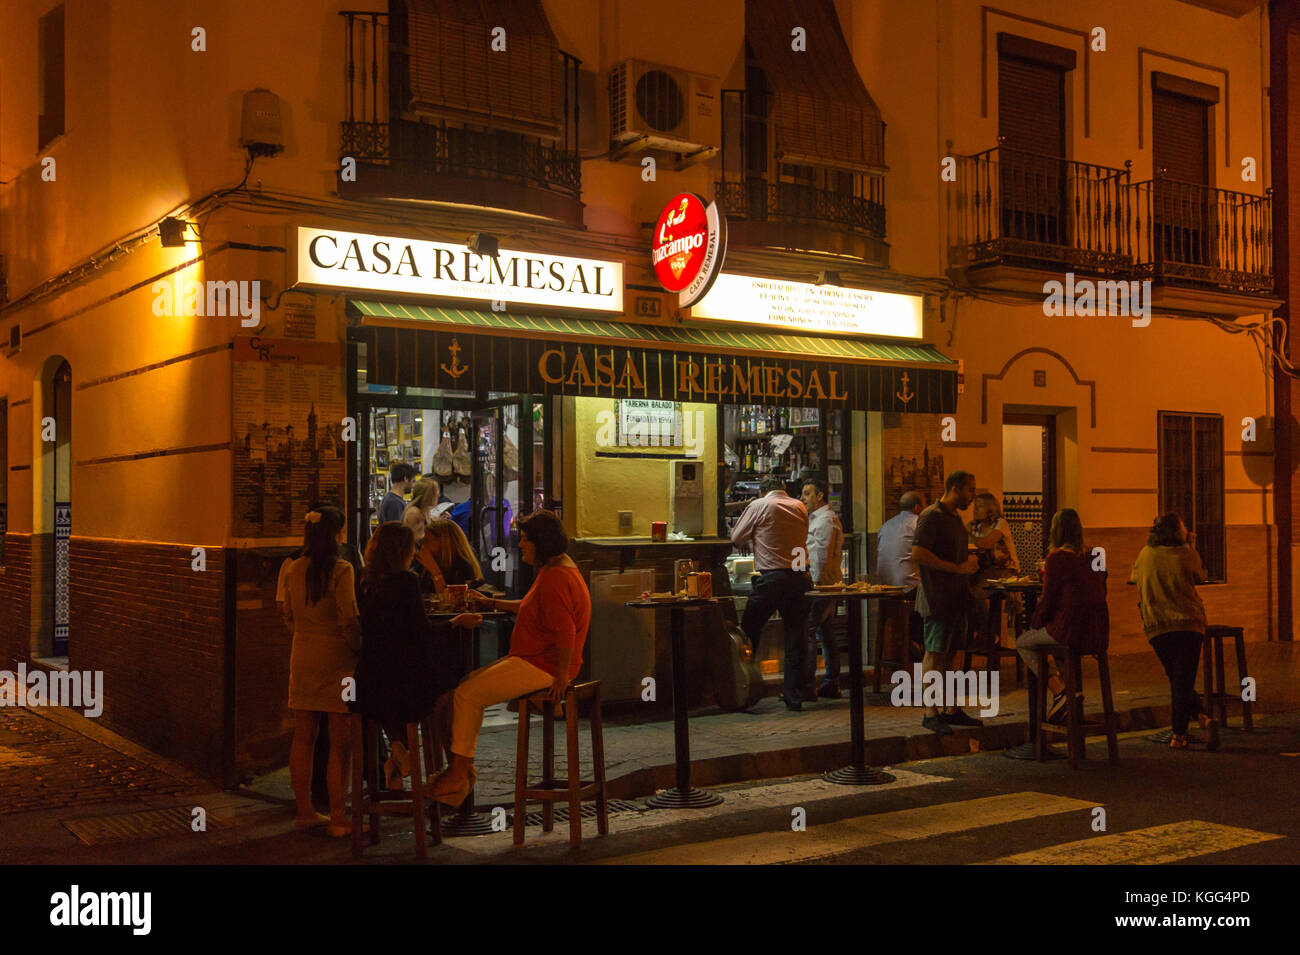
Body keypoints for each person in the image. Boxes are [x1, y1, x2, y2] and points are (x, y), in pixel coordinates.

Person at [429, 511, 591, 806]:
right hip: (535, 660)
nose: (521, 546)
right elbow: (530, 607)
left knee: (466, 695)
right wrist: (491, 602)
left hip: (541, 664)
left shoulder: (555, 577)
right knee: (464, 688)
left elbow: (565, 630)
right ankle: (461, 771)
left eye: (526, 540)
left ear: (541, 542)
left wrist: (562, 676)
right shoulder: (558, 570)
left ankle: (459, 774)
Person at [354, 522, 456, 790]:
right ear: (403, 550)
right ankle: (441, 773)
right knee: (440, 692)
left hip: (365, 682)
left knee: (386, 694)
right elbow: (421, 631)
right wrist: (456, 624)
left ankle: (397, 753)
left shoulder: (364, 578)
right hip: (403, 682)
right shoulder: (406, 581)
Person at [279, 506, 361, 836]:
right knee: (340, 741)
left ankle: (304, 811)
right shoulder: (342, 570)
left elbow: (287, 616)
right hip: (337, 657)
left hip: (302, 654)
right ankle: (339, 817)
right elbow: (348, 617)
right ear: (336, 534)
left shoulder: (292, 569)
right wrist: (358, 648)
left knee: (303, 737)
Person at [1129, 513, 1219, 751]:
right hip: (1189, 624)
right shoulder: (1186, 554)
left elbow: (1134, 578)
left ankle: (1200, 719)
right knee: (1182, 679)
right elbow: (1201, 575)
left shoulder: (1144, 555)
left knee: (1177, 677)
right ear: (1176, 532)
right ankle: (1182, 731)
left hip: (1157, 625)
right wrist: (1192, 545)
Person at [1015, 508, 1109, 725]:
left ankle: (1060, 692)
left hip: (1070, 630)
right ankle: (1072, 698)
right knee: (1058, 647)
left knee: (1024, 643)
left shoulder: (1057, 559)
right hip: (1097, 632)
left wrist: (1035, 623)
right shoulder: (1097, 554)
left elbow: (1047, 600)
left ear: (1055, 532)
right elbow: (1101, 592)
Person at [730, 474, 812, 710]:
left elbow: (736, 537)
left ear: (761, 492)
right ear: (784, 488)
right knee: (795, 637)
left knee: (748, 633)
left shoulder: (759, 505)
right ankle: (793, 696)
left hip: (772, 578)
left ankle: (744, 688)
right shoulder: (799, 506)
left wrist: (753, 538)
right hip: (799, 577)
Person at [911, 470, 982, 733]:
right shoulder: (931, 516)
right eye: (970, 490)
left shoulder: (955, 517)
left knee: (952, 655)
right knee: (934, 654)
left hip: (956, 598)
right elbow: (918, 552)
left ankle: (950, 708)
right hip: (936, 597)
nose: (973, 496)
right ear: (955, 488)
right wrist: (955, 568)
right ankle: (930, 712)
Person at [800, 477, 845, 700]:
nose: (802, 498)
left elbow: (820, 556)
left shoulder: (825, 520)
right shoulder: (818, 519)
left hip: (822, 586)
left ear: (820, 496)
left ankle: (807, 685)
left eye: (807, 493)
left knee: (808, 631)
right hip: (826, 586)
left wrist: (812, 584)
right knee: (825, 633)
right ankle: (831, 682)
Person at [876, 491, 926, 677]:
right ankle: (922, 654)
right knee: (937, 607)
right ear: (917, 508)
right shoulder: (919, 524)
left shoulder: (886, 525)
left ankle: (911, 645)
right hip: (908, 592)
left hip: (886, 593)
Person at [968, 492, 1020, 648]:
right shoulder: (974, 526)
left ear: (991, 509)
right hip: (986, 570)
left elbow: (986, 543)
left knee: (977, 592)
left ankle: (987, 632)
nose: (975, 510)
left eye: (980, 506)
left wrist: (969, 537)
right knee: (964, 589)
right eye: (974, 506)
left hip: (1005, 571)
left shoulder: (1000, 523)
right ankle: (976, 631)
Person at [414, 517, 487, 596]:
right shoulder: (427, 563)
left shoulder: (462, 565)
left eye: (427, 541)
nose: (424, 546)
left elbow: (453, 601)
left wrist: (435, 572)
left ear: (444, 543)